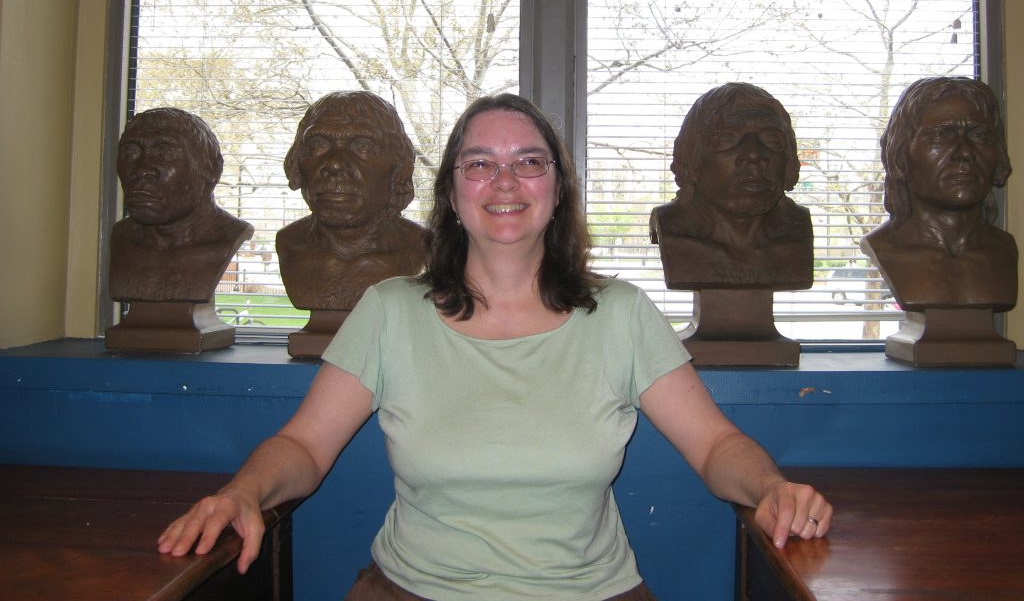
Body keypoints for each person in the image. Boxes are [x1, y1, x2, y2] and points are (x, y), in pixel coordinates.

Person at [158, 94, 831, 600]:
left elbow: (714, 446)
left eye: (529, 162)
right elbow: (304, 447)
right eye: (479, 163)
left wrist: (771, 488)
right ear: (451, 194)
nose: (504, 181)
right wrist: (243, 492)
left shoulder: (621, 315)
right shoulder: (390, 311)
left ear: (557, 189)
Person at [862, 76, 1017, 310]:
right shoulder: (885, 248)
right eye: (942, 135)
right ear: (900, 155)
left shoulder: (1003, 251)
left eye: (979, 135)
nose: (965, 153)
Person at [650, 82, 812, 290]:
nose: (754, 154)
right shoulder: (674, 232)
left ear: (789, 159)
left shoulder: (797, 232)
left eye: (773, 140)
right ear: (692, 156)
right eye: (727, 138)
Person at [277, 91, 428, 312]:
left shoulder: (422, 246)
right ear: (297, 163)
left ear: (398, 167)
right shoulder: (289, 244)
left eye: (362, 146)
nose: (334, 164)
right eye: (317, 144)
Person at [109, 107, 253, 302]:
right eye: (130, 153)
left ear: (212, 169)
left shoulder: (227, 238)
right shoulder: (121, 240)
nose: (141, 169)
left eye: (164, 152)